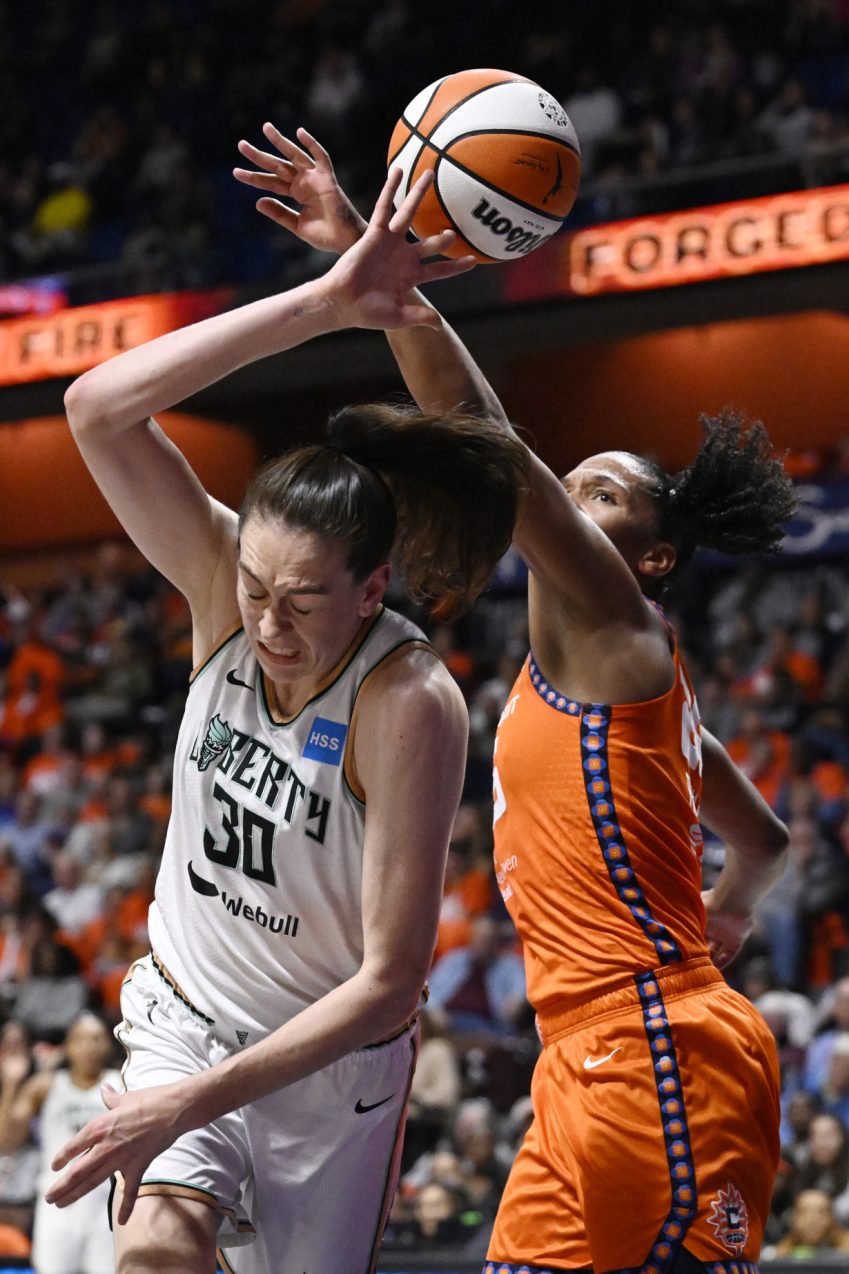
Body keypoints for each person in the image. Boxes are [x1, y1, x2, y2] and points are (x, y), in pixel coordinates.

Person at [235, 123, 797, 1273]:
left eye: (599, 497)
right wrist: (726, 912)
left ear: (649, 560)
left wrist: (381, 283)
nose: (568, 500)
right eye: (570, 484)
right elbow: (765, 835)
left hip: (654, 1051)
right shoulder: (617, 684)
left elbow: (488, 443)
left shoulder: (622, 631)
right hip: (586, 1054)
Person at [44, 168, 529, 1274]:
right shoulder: (223, 585)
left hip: (326, 1066)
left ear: (372, 588)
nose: (266, 619)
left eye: (302, 598)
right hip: (185, 1013)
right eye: (256, 587)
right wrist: (322, 303)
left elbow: (390, 984)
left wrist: (199, 1101)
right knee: (157, 1253)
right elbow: (96, 406)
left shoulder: (408, 701)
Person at [0, 1013, 119, 1274]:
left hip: (107, 1208)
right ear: (67, 1046)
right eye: (80, 1040)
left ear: (108, 1045)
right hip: (57, 1208)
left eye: (96, 1039)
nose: (88, 1047)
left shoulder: (121, 1082)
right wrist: (11, 1082)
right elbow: (7, 1141)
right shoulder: (46, 1085)